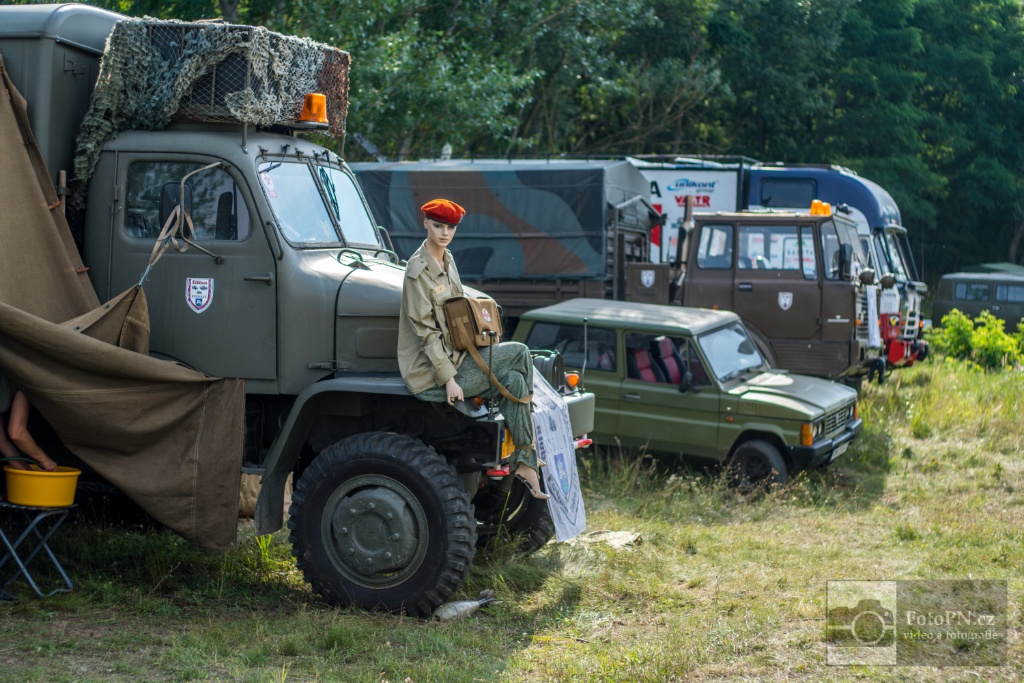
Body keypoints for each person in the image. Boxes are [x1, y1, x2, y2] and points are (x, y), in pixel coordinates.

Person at [397, 198, 548, 499]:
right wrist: (448, 379)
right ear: (425, 223)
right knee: (520, 352)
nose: (444, 233)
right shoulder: (417, 271)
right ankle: (527, 455)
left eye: (450, 228)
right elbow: (425, 331)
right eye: (438, 226)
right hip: (430, 373)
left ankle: (524, 460)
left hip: (459, 355)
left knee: (515, 381)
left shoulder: (448, 259)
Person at [0, 389, 58, 472]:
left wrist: (28, 473)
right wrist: (45, 460)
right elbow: (17, 434)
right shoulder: (26, 386)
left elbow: (1, 440)